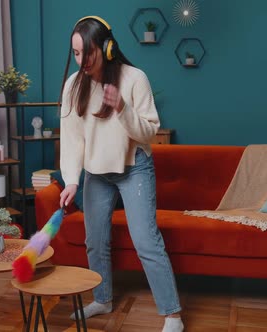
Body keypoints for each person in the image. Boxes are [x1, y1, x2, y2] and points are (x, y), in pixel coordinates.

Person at [58, 16, 184, 332]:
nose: (81, 61)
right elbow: (72, 137)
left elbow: (149, 132)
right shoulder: (74, 85)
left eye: (87, 53)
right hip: (96, 174)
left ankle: (173, 315)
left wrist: (123, 109)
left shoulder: (134, 78)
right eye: (75, 53)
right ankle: (102, 299)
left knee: (146, 242)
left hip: (134, 168)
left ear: (107, 48)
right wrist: (72, 179)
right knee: (94, 241)